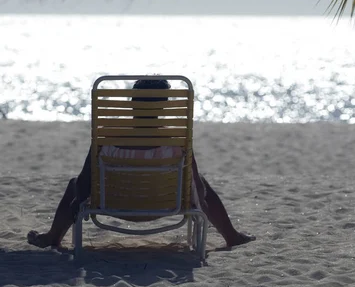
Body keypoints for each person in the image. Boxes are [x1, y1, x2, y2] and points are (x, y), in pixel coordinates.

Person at [27, 79, 255, 249]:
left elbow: (85, 183)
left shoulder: (106, 138)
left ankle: (52, 237)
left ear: (132, 102)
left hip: (114, 205)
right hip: (165, 206)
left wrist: (78, 198)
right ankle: (231, 236)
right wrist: (200, 201)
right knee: (200, 182)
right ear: (164, 106)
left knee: (74, 183)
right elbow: (199, 189)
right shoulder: (177, 141)